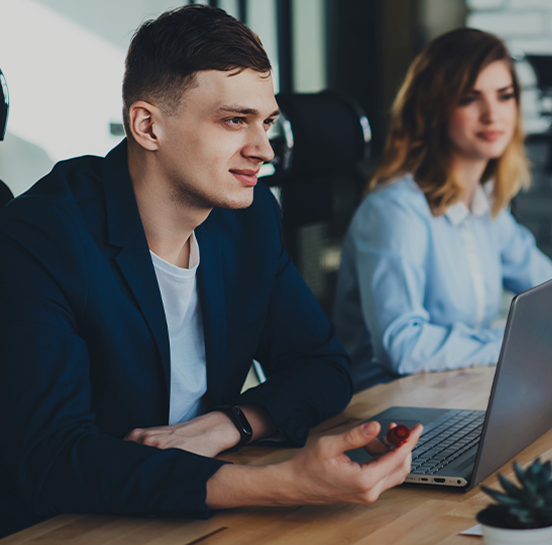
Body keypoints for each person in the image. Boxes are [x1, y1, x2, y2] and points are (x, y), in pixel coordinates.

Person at [0, 6, 421, 538]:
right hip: (68, 526)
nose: (263, 149)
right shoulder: (42, 238)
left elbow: (322, 364)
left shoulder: (248, 220)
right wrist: (288, 484)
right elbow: (52, 460)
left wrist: (228, 425)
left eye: (265, 122)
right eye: (233, 120)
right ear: (148, 125)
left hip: (196, 512)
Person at [334, 28, 552, 390]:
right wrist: (518, 341)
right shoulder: (395, 211)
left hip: (458, 387)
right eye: (470, 98)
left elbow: (551, 290)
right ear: (434, 107)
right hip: (383, 404)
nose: (492, 115)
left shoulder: (485, 204)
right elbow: (403, 348)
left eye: (505, 96)